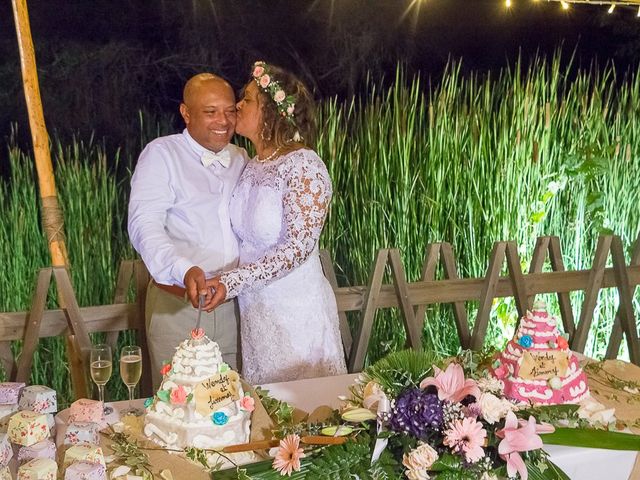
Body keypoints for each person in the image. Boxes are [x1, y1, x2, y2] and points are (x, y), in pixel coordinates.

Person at [196, 61, 347, 384]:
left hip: (296, 312)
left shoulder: (304, 165)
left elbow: (298, 248)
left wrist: (231, 282)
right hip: (257, 314)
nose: (237, 105)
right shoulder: (252, 165)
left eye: (247, 99)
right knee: (269, 413)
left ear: (273, 111)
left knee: (307, 415)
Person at [128, 73, 248, 388]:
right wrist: (183, 270)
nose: (223, 120)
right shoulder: (161, 154)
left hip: (236, 308)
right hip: (178, 306)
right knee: (180, 414)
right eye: (211, 112)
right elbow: (144, 225)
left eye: (230, 110)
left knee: (233, 407)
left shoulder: (242, 158)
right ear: (186, 113)